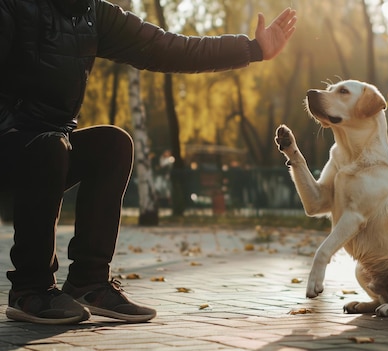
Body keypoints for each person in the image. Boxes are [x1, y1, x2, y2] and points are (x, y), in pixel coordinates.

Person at [0, 0, 296, 325]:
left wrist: (253, 49)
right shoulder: (15, 7)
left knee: (113, 145)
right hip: (10, 146)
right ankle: (30, 289)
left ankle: (88, 282)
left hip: (50, 148)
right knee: (50, 146)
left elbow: (165, 47)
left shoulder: (92, 14)